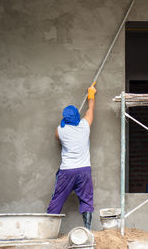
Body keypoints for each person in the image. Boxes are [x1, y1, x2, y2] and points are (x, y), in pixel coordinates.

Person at [47, 83, 97, 230]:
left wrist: (64, 124)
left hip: (67, 171)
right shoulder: (85, 125)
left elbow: (58, 138)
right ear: (77, 116)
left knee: (57, 200)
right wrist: (91, 93)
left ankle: (49, 230)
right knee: (87, 201)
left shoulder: (60, 131)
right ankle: (87, 230)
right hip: (84, 170)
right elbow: (90, 109)